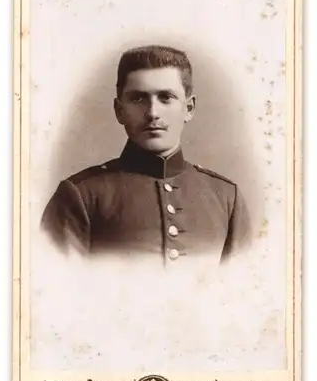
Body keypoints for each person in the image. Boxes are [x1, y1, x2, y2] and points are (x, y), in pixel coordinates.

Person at [41, 45, 251, 265]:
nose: (152, 113)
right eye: (138, 99)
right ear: (119, 110)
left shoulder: (226, 198)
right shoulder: (81, 196)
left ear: (189, 108)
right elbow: (57, 292)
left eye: (166, 97)